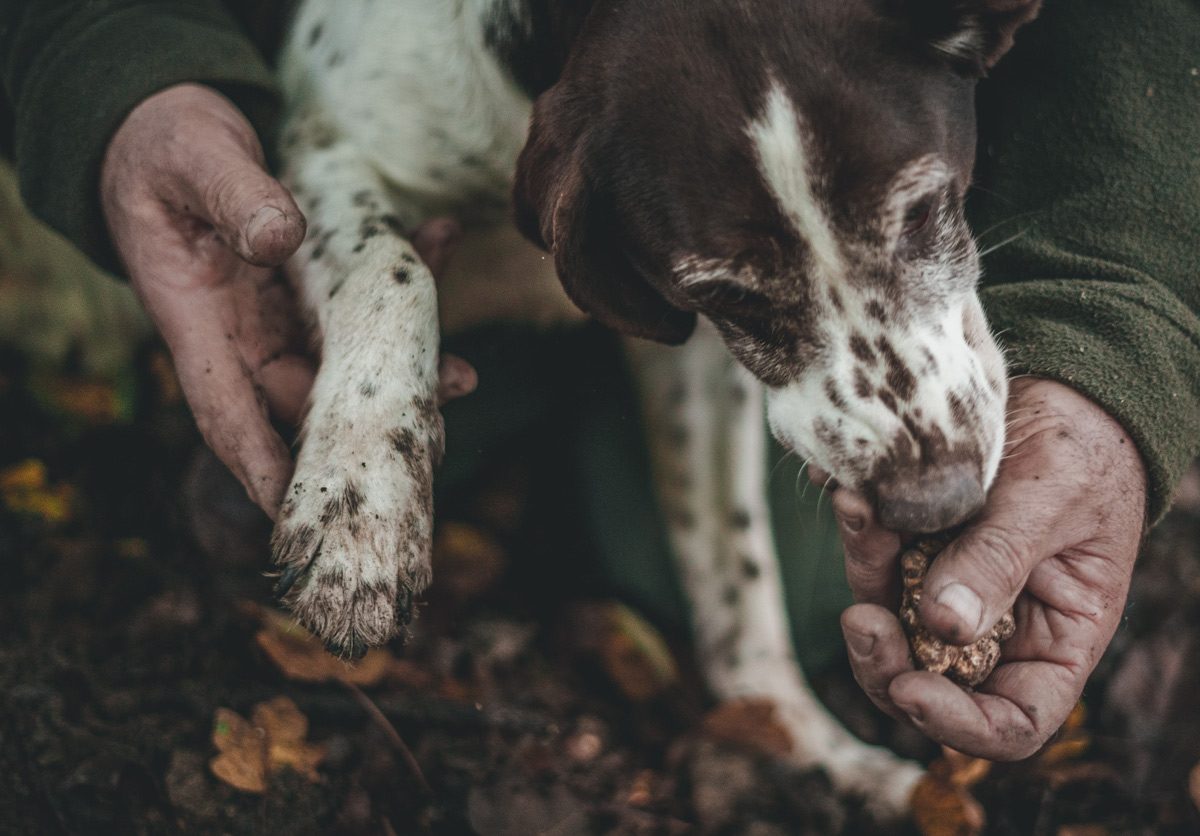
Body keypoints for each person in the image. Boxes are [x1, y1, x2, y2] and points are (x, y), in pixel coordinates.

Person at [1, 0, 1197, 763]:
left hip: (617, 244)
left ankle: (741, 655)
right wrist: (114, 83)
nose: (921, 437)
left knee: (797, 603)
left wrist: (1119, 335)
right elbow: (332, 163)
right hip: (465, 214)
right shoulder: (438, 59)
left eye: (924, 214)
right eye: (736, 287)